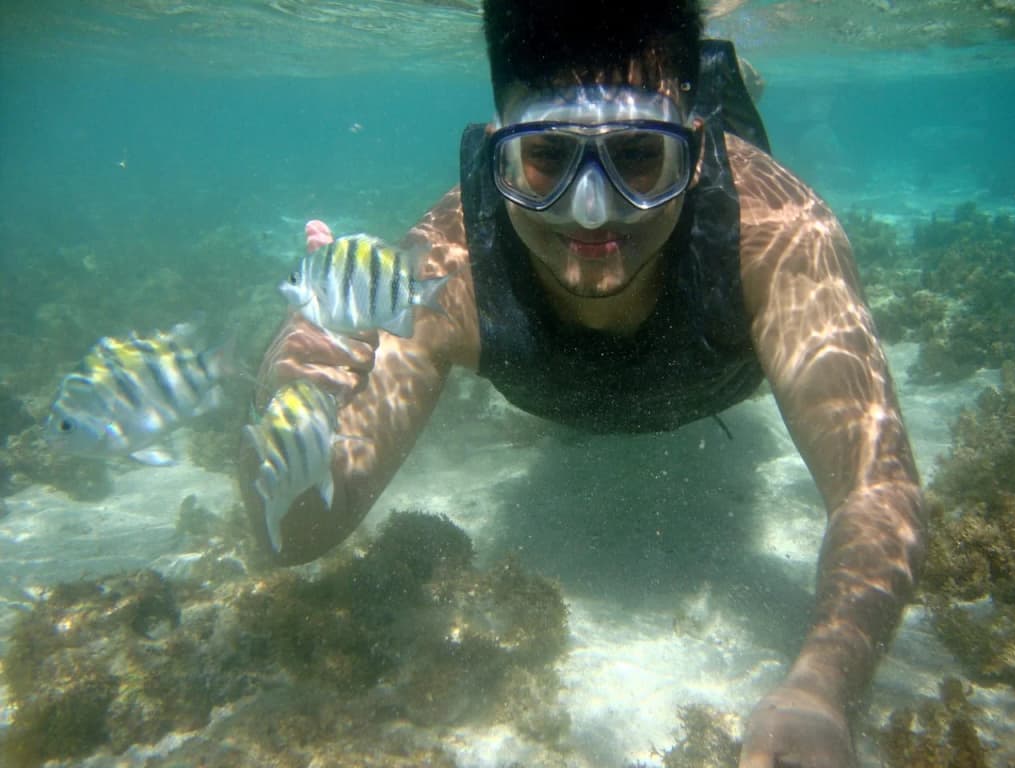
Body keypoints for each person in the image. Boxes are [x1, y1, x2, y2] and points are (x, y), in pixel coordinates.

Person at [240, 1, 925, 765]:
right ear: (498, 153)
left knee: (724, 109)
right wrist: (284, 418)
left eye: (637, 154)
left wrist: (825, 690)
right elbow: (299, 535)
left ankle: (723, 87)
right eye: (545, 157)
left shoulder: (779, 235)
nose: (591, 212)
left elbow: (878, 492)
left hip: (719, 159)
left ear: (694, 158)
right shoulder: (444, 274)